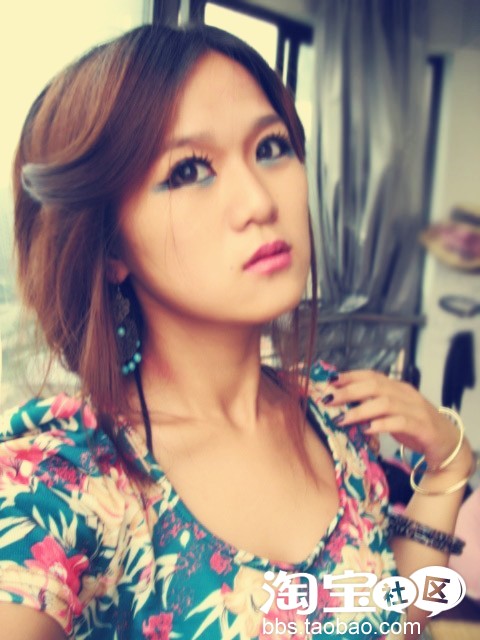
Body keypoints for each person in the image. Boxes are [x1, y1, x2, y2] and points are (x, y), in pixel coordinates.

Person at [0, 23, 475, 640]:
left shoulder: (338, 415)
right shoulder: (61, 484)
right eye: (188, 170)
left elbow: (392, 620)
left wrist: (448, 465)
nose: (259, 201)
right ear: (111, 247)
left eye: (271, 147)